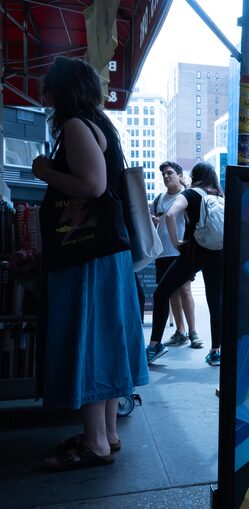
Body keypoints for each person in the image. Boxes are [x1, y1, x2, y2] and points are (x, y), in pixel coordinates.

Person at [33, 57, 147, 470]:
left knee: (91, 341)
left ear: (64, 91)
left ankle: (96, 442)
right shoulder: (100, 124)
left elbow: (93, 186)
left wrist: (44, 170)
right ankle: (106, 434)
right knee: (105, 339)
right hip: (105, 253)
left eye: (48, 89)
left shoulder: (76, 126)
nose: (43, 97)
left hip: (88, 253)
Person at [146, 162, 224, 366]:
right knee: (215, 301)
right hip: (218, 253)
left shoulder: (191, 194)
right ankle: (216, 351)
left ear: (194, 176)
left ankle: (154, 346)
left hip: (194, 252)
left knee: (161, 293)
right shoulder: (219, 195)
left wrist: (176, 242)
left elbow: (171, 215)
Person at [152, 162, 202, 349]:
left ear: (180, 175)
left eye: (170, 173)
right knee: (170, 292)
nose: (166, 176)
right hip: (163, 252)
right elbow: (160, 222)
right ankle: (180, 332)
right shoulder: (159, 199)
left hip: (181, 251)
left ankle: (193, 332)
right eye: (163, 174)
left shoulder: (187, 196)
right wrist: (156, 221)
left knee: (185, 290)